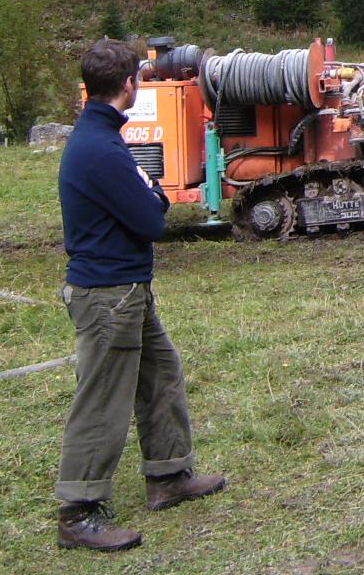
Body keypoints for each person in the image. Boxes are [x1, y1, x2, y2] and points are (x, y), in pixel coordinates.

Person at [54, 39, 226, 551]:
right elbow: (153, 216)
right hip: (109, 295)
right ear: (128, 85)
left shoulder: (100, 137)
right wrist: (153, 189)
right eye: (138, 80)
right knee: (103, 399)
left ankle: (168, 475)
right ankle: (78, 511)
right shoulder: (101, 150)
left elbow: (146, 194)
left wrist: (148, 186)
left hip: (127, 288)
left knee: (160, 373)